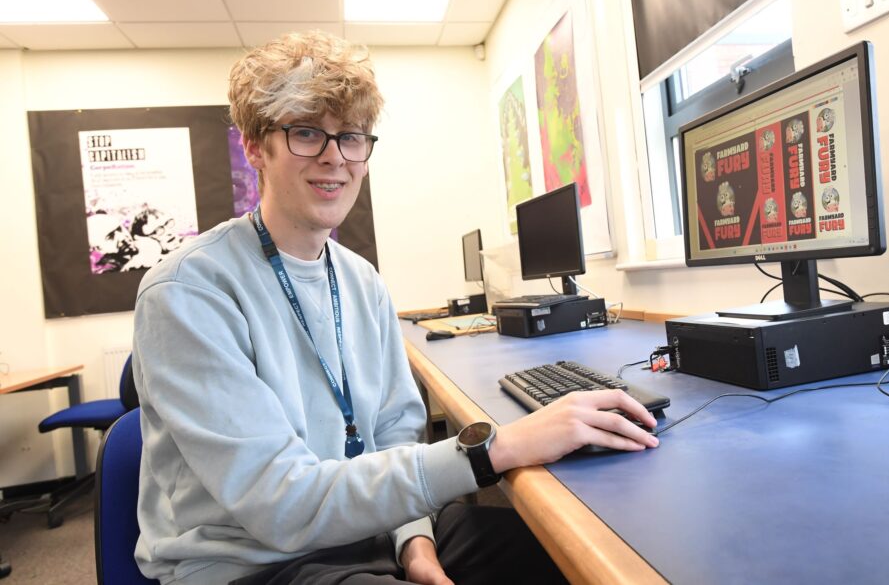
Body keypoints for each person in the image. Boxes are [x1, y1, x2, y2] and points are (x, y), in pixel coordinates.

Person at [131, 29, 659, 585]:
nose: (335, 158)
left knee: (558, 562)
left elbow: (393, 438)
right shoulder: (187, 291)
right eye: (306, 133)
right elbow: (280, 504)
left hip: (370, 527)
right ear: (254, 147)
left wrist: (416, 546)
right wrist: (496, 448)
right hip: (253, 563)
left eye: (351, 137)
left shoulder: (361, 281)